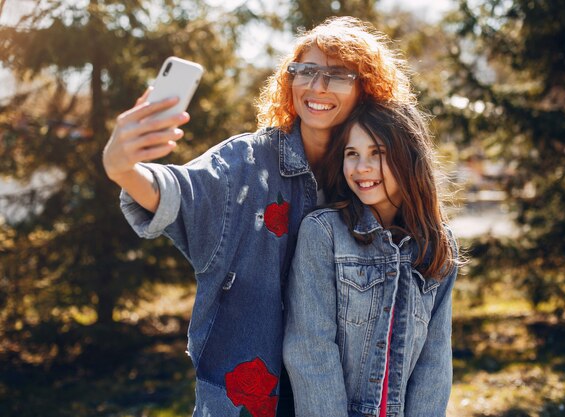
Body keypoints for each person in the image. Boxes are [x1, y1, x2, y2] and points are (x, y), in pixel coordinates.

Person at [102, 16, 417, 417]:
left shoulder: (373, 175)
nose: (316, 87)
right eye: (305, 71)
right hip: (243, 403)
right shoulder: (246, 162)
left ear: (367, 88)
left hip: (342, 402)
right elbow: (181, 191)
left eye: (337, 75)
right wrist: (123, 169)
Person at [283, 100, 459, 417]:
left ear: (408, 157)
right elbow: (311, 349)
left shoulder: (438, 246)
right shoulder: (323, 233)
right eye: (352, 154)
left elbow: (434, 361)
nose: (361, 167)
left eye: (377, 153)